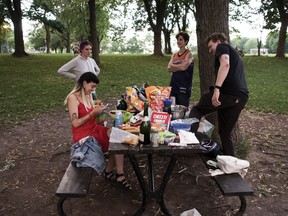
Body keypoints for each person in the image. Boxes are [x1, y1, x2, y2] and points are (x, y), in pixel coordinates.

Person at [64, 72, 132, 190]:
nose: (93, 89)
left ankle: (110, 171)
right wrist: (93, 113)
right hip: (84, 134)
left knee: (118, 134)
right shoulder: (73, 98)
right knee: (116, 141)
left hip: (94, 128)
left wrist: (99, 112)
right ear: (84, 83)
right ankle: (118, 174)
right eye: (92, 86)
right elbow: (75, 123)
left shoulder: (88, 95)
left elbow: (93, 117)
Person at [189, 32, 249, 156]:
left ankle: (189, 144)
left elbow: (225, 64)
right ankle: (230, 164)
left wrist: (217, 89)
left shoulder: (223, 47)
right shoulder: (235, 55)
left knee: (197, 109)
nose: (210, 51)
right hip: (241, 97)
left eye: (211, 46)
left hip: (227, 93)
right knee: (225, 133)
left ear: (217, 41)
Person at [167, 32, 194, 107]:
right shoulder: (174, 55)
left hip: (184, 87)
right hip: (174, 85)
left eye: (181, 40)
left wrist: (174, 66)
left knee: (183, 109)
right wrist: (179, 67)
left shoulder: (189, 54)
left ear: (186, 41)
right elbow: (168, 68)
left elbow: (183, 67)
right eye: (177, 40)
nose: (178, 42)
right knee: (172, 108)